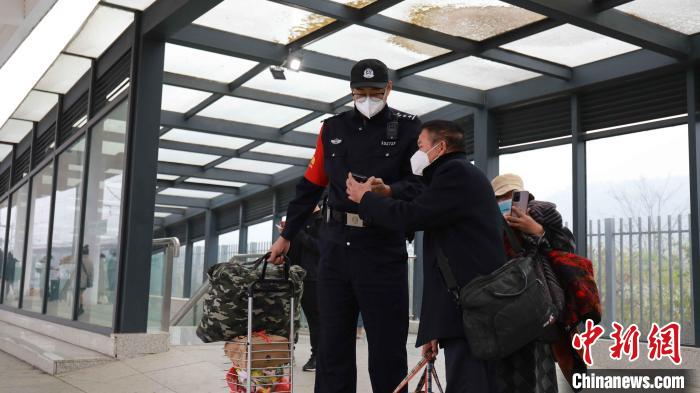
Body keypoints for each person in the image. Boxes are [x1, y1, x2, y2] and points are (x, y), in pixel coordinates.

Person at [268, 58, 424, 393]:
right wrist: (286, 236)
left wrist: (389, 190)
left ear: (389, 89)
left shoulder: (411, 129)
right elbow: (310, 186)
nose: (368, 98)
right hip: (335, 247)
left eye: (376, 92)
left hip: (382, 247)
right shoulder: (332, 129)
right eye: (361, 92)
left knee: (386, 350)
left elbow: (422, 187)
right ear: (351, 92)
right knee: (332, 346)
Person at [346, 120, 506, 393]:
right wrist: (434, 329)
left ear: (440, 147)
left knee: (471, 383)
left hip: (473, 311)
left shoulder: (456, 174)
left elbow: (413, 215)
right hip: (466, 311)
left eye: (420, 146)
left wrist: (366, 199)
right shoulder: (454, 176)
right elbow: (439, 249)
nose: (416, 153)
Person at [490, 173, 568, 393]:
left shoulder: (542, 220)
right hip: (503, 315)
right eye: (501, 198)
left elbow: (565, 251)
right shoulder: (486, 227)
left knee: (539, 375)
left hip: (537, 311)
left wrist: (537, 231)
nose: (508, 203)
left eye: (514, 197)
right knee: (504, 377)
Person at [281, 205, 323, 372]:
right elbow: (295, 253)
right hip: (298, 277)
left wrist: (298, 232)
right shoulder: (301, 222)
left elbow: (319, 247)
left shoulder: (322, 220)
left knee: (317, 320)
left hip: (316, 277)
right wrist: (286, 236)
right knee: (299, 318)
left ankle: (318, 356)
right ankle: (288, 353)